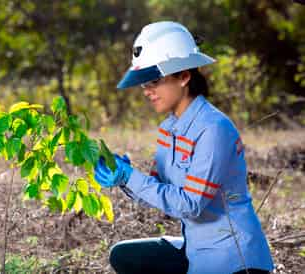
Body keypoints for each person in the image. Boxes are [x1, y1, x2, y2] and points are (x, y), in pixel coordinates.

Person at [93, 21, 274, 274]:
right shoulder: (169, 129)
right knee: (124, 256)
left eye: (154, 80)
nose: (147, 91)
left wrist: (130, 177)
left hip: (235, 260)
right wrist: (122, 177)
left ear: (184, 76)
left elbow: (189, 205)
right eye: (145, 83)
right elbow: (160, 192)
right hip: (197, 251)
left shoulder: (214, 129)